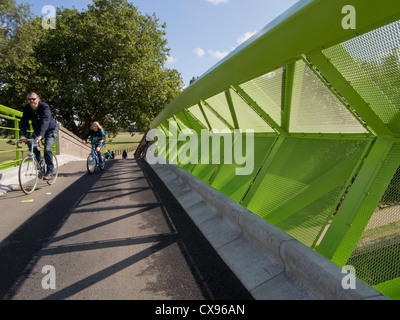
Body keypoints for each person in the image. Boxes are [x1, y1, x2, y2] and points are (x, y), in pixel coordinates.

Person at [19, 92, 57, 180]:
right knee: (29, 142)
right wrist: (22, 135)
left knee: (47, 149)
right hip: (37, 132)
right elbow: (24, 121)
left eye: (33, 99)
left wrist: (40, 135)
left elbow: (45, 121)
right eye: (29, 99)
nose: (31, 101)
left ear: (38, 99)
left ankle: (50, 172)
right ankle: (39, 160)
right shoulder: (27, 108)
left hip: (49, 131)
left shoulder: (44, 107)